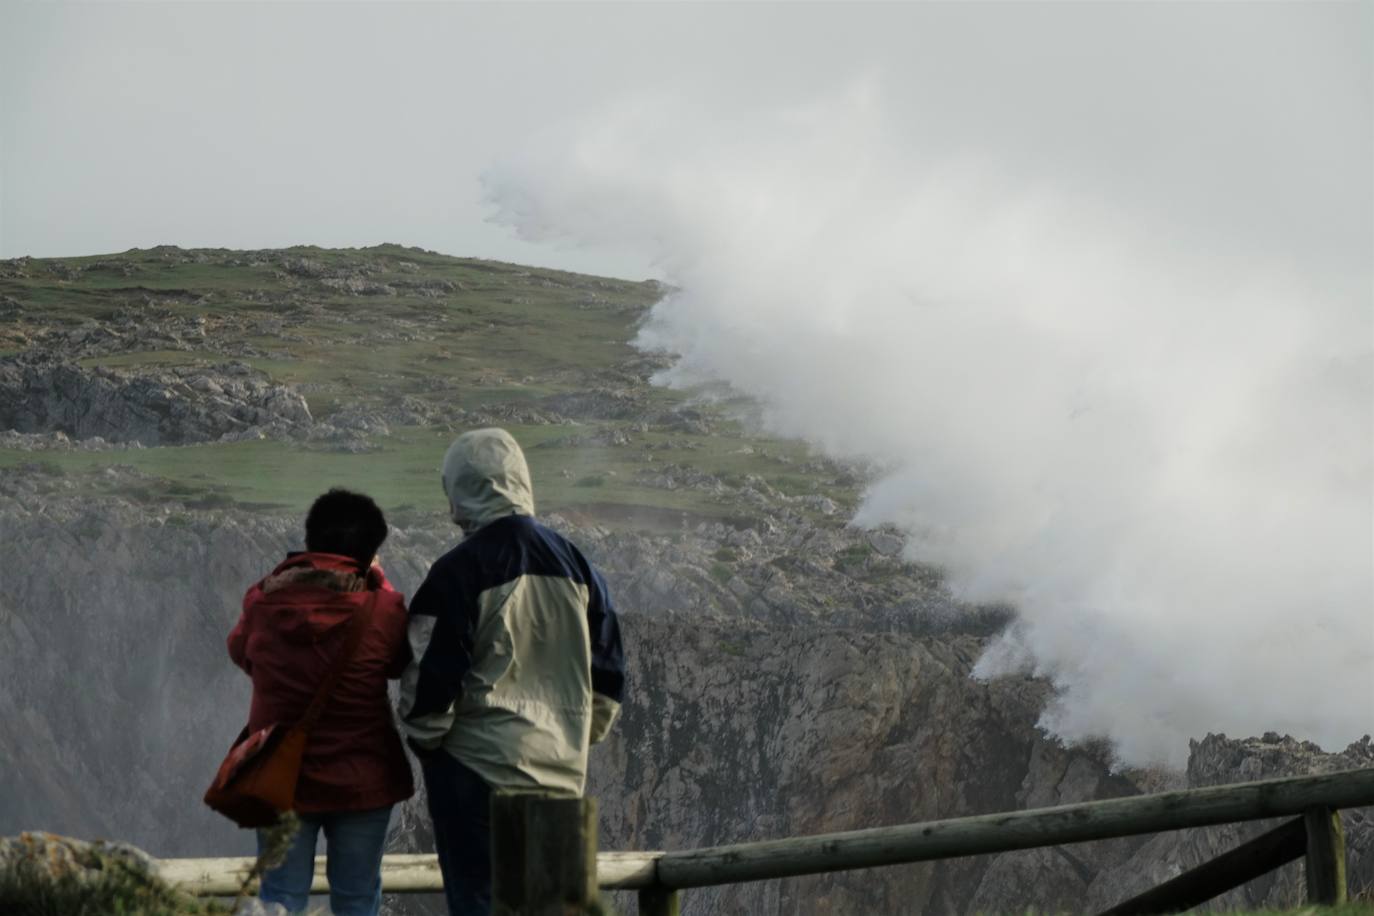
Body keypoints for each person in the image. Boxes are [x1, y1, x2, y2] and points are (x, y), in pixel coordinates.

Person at [398, 428, 626, 916]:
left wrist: (430, 745)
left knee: (482, 905)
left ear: (459, 490)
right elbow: (607, 683)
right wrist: (565, 737)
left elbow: (430, 686)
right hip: (561, 777)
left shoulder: (458, 571)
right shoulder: (581, 567)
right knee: (555, 909)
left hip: (477, 775)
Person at [228, 488, 414, 916]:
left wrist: (284, 575)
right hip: (362, 779)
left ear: (310, 541)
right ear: (370, 553)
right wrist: (379, 581)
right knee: (356, 899)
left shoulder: (261, 603)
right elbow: (398, 662)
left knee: (280, 899)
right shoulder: (383, 609)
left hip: (280, 779)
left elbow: (241, 653)